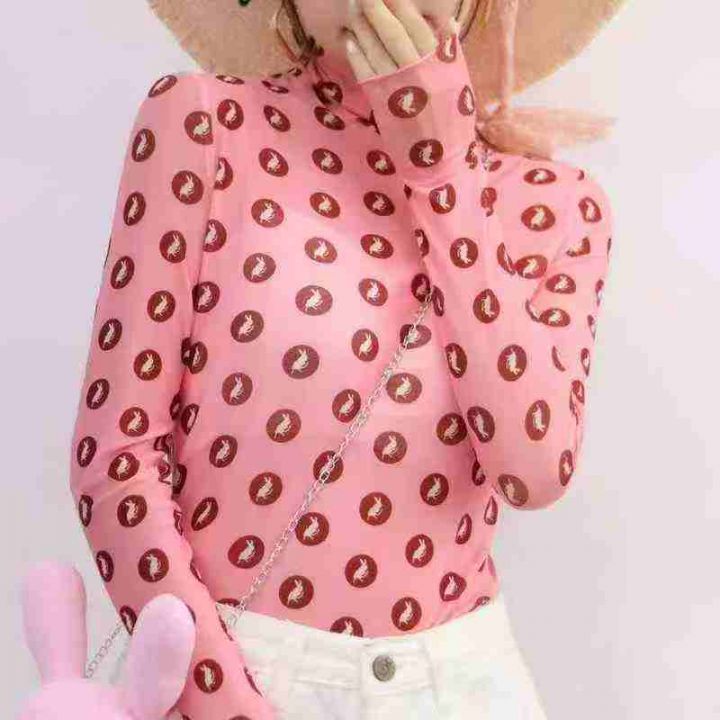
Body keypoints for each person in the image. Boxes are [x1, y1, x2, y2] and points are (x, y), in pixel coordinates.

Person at [68, 0, 620, 717]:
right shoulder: (204, 122)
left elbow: (534, 471)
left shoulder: (560, 205)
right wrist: (223, 702)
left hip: (456, 684)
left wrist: (443, 174)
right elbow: (114, 461)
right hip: (229, 670)